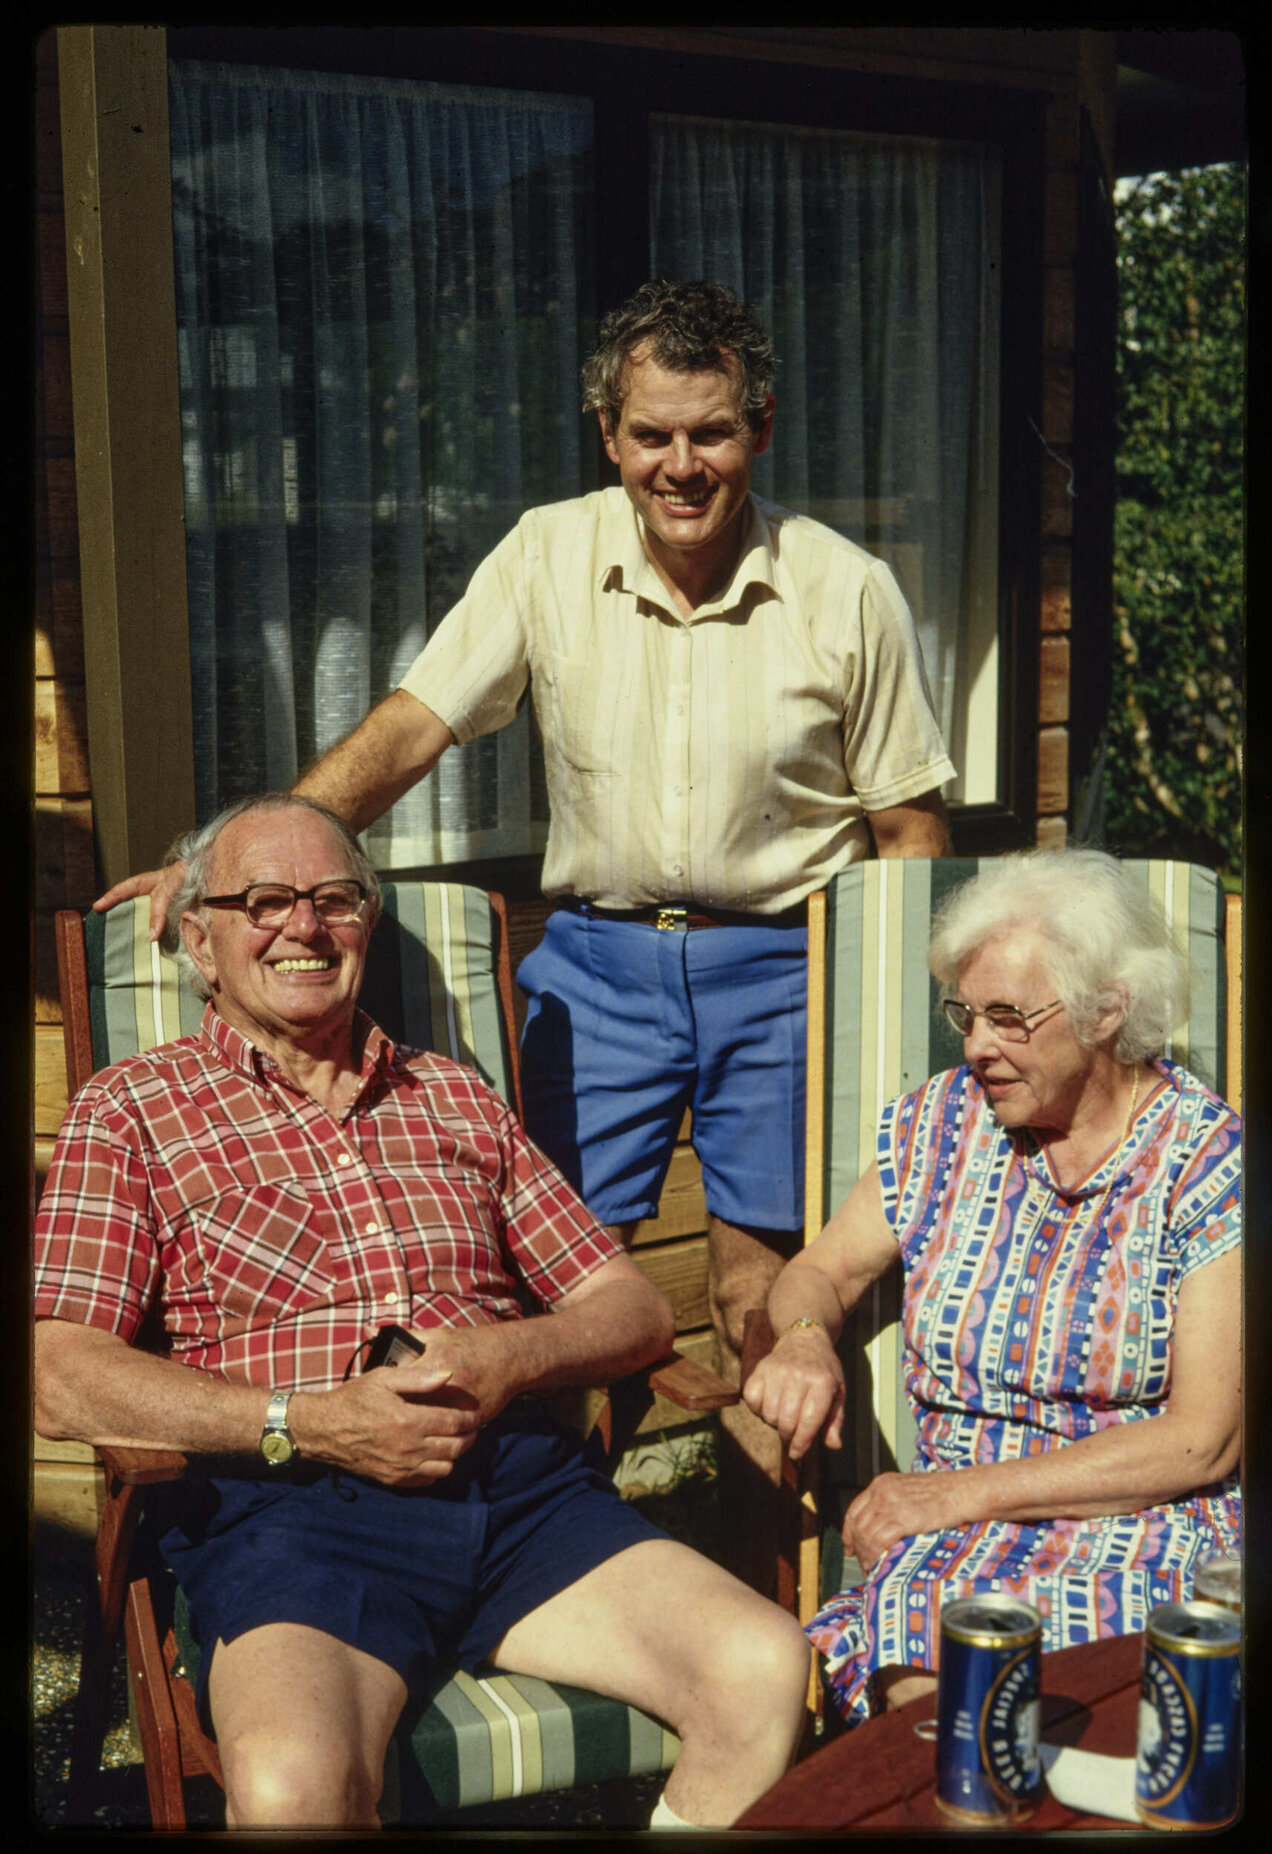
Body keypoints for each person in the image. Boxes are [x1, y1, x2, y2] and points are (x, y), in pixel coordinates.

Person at [95, 279, 955, 1585]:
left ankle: (764, 1591)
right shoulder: (548, 554)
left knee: (758, 1286)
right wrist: (230, 852)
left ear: (760, 429)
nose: (683, 464)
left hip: (785, 963)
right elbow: (412, 727)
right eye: (653, 433)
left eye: (712, 432)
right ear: (607, 432)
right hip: (598, 964)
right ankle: (545, 1559)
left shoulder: (848, 589)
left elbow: (908, 835)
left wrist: (913, 1035)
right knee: (542, 1287)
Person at [36, 793, 812, 1829]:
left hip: (519, 1493)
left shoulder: (454, 1095)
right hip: (295, 1512)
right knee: (290, 1795)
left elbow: (630, 1309)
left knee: (763, 1668)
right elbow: (57, 1371)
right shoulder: (131, 1109)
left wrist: (509, 1355)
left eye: (335, 900)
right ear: (200, 944)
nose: (305, 928)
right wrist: (304, 1423)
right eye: (264, 900)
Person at [742, 849, 1241, 1723]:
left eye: (1007, 1018)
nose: (976, 1047)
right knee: (934, 1669)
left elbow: (1201, 1442)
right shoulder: (944, 1125)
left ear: (1104, 1011)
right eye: (965, 1015)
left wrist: (947, 1496)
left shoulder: (1204, 1161)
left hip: (1139, 1519)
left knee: (1117, 1700)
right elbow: (819, 1272)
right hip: (954, 1541)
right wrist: (804, 1339)